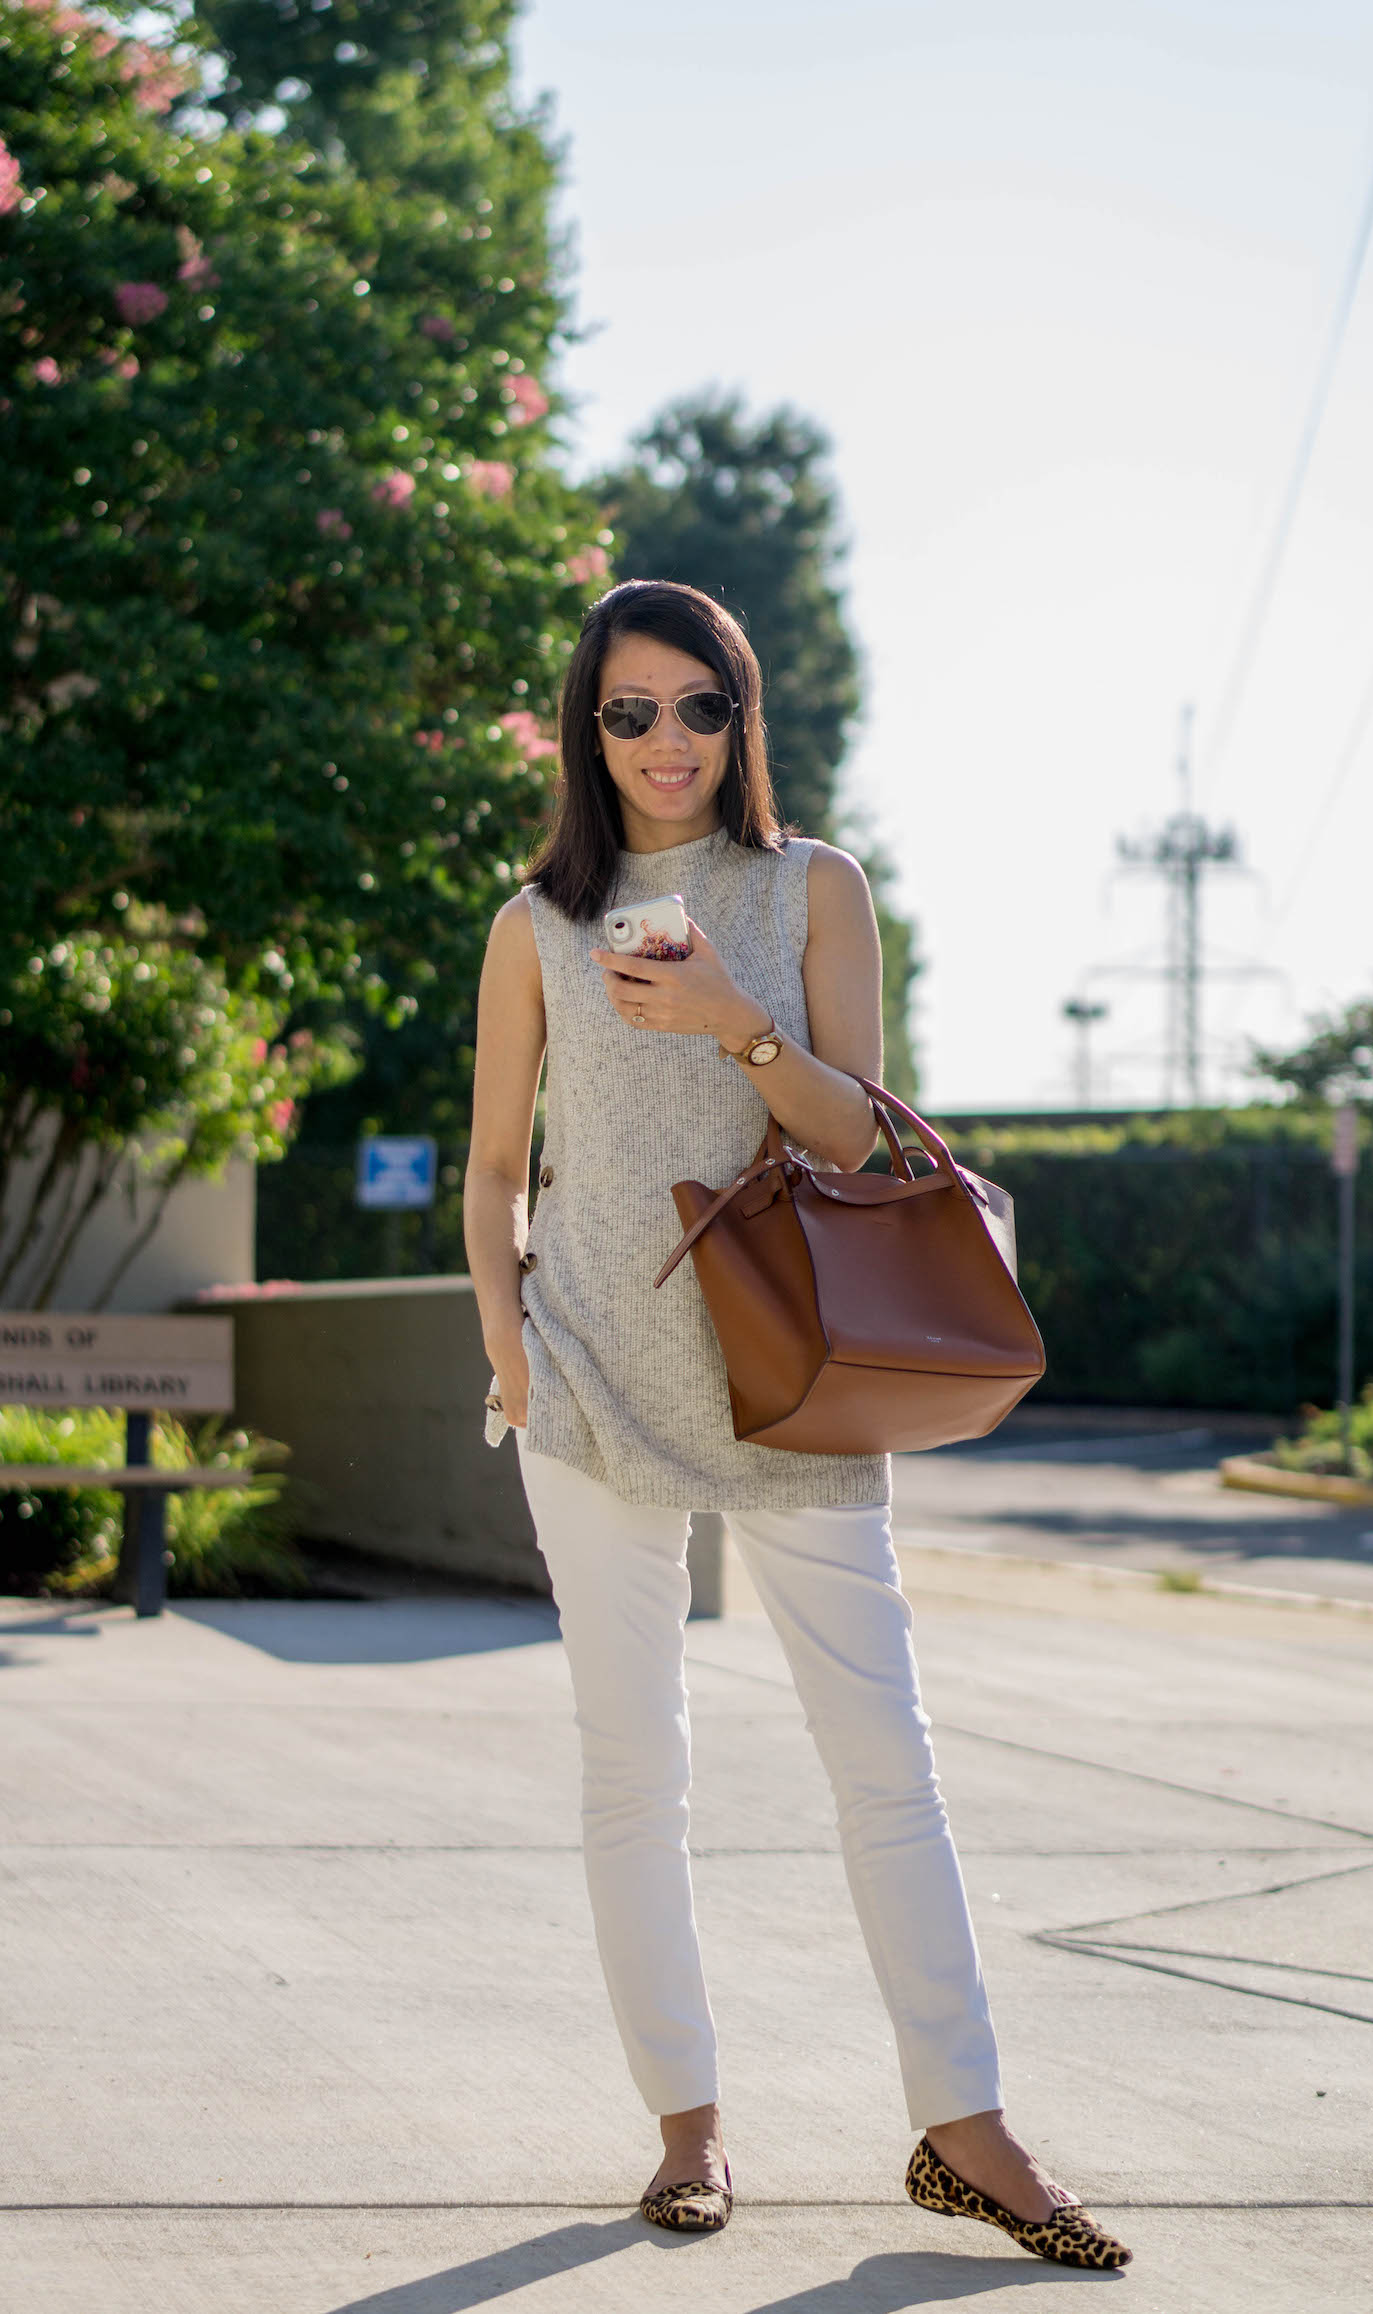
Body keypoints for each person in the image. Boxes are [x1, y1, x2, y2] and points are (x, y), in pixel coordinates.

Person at [464, 578, 1130, 2270]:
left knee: (883, 1761)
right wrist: (511, 1353)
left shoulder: (816, 886)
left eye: (698, 706)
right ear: (586, 730)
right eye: (630, 712)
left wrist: (731, 1022)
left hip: (799, 1372)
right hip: (595, 1384)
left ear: (741, 717)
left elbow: (861, 1130)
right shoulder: (538, 920)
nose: (666, 741)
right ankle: (687, 2129)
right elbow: (490, 1170)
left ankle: (966, 2126)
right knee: (635, 1773)